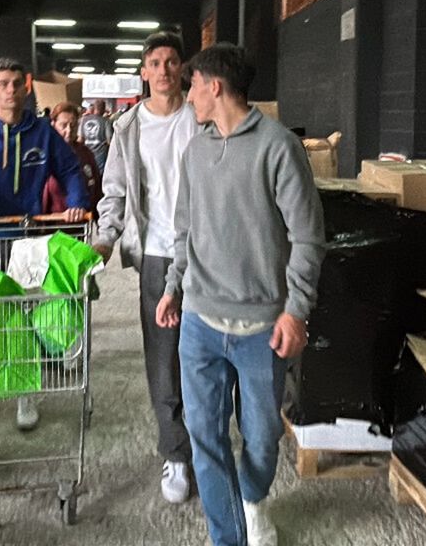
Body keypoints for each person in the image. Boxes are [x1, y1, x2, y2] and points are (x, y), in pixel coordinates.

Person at [155, 43, 325, 546]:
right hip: (200, 324)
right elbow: (183, 230)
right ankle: (228, 537)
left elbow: (309, 237)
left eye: (193, 86)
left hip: (261, 329)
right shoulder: (196, 149)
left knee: (262, 439)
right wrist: (173, 288)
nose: (188, 97)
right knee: (205, 440)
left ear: (215, 86)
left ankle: (251, 497)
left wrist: (296, 311)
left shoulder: (278, 148)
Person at [0, 58, 89, 430]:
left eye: (16, 84)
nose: (10, 90)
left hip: (29, 239)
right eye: (3, 83)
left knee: (27, 316)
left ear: (27, 87)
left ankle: (27, 395)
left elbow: (70, 169)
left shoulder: (42, 133)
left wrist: (76, 204)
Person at [91, 31, 201, 504]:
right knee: (164, 356)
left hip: (207, 251)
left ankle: (210, 442)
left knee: (206, 351)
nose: (163, 70)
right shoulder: (128, 127)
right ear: (143, 71)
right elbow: (114, 189)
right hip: (157, 255)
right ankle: (175, 452)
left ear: (183, 69)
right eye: (154, 62)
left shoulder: (203, 118)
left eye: (171, 61)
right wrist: (104, 238)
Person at [43, 101, 102, 213]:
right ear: (53, 124)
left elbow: (97, 187)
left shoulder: (85, 153)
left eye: (73, 125)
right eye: (63, 125)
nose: (69, 130)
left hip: (84, 222)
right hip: (54, 226)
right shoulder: (45, 155)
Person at [80, 99, 114, 173]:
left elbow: (80, 139)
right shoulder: (106, 121)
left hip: (86, 154)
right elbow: (109, 141)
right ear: (103, 109)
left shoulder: (83, 120)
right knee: (100, 176)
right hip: (100, 155)